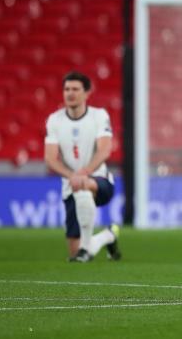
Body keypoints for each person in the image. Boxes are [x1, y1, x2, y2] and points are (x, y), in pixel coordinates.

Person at [44, 71, 121, 263]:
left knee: (84, 185)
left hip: (100, 181)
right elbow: (50, 158)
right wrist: (72, 175)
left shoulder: (98, 116)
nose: (70, 93)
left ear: (87, 93)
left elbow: (105, 150)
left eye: (76, 89)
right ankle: (108, 236)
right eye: (67, 89)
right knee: (73, 252)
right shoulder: (55, 120)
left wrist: (84, 173)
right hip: (71, 183)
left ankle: (86, 250)